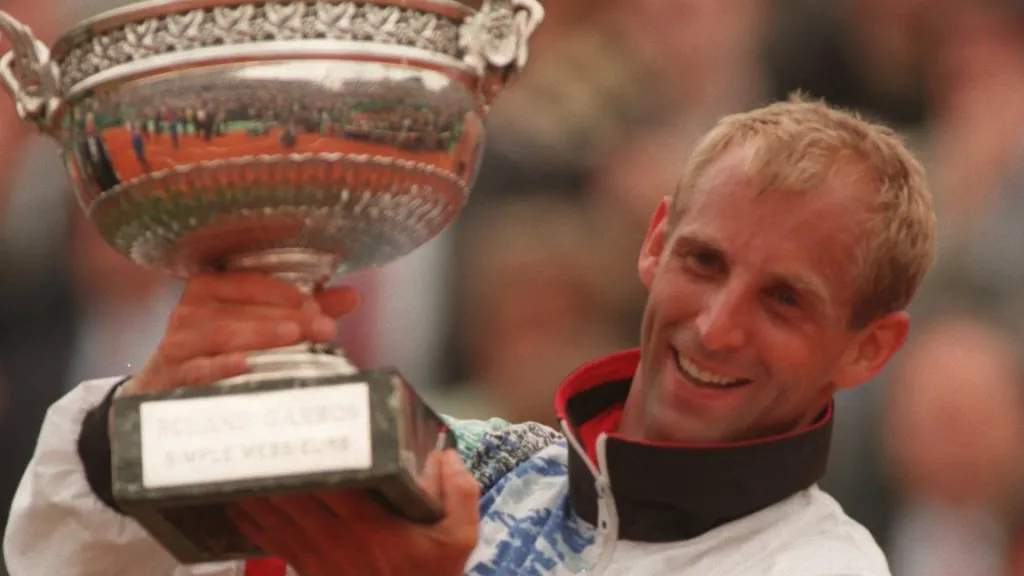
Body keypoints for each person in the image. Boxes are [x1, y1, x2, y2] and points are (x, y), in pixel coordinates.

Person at [3, 94, 936, 575]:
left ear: (870, 348)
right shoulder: (477, 464)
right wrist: (151, 410)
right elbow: (62, 562)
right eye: (704, 261)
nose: (719, 325)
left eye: (784, 301)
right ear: (655, 243)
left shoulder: (819, 567)